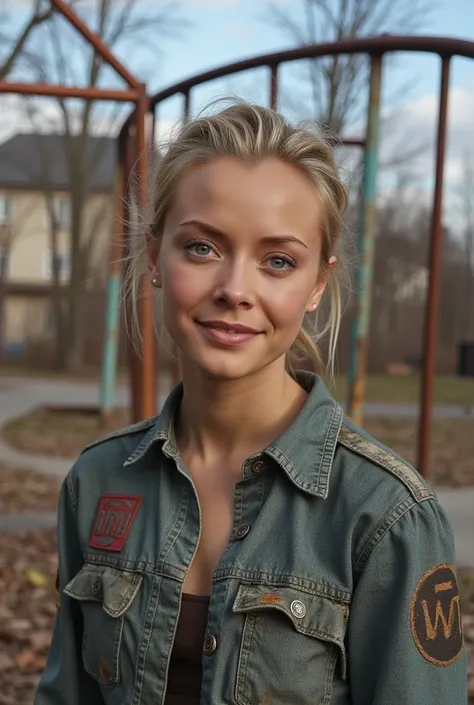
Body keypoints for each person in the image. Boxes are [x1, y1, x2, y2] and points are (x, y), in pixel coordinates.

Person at [35, 101, 467, 705]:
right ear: (157, 255)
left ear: (317, 284)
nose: (236, 289)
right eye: (202, 249)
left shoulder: (385, 515)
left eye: (278, 261)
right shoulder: (98, 480)